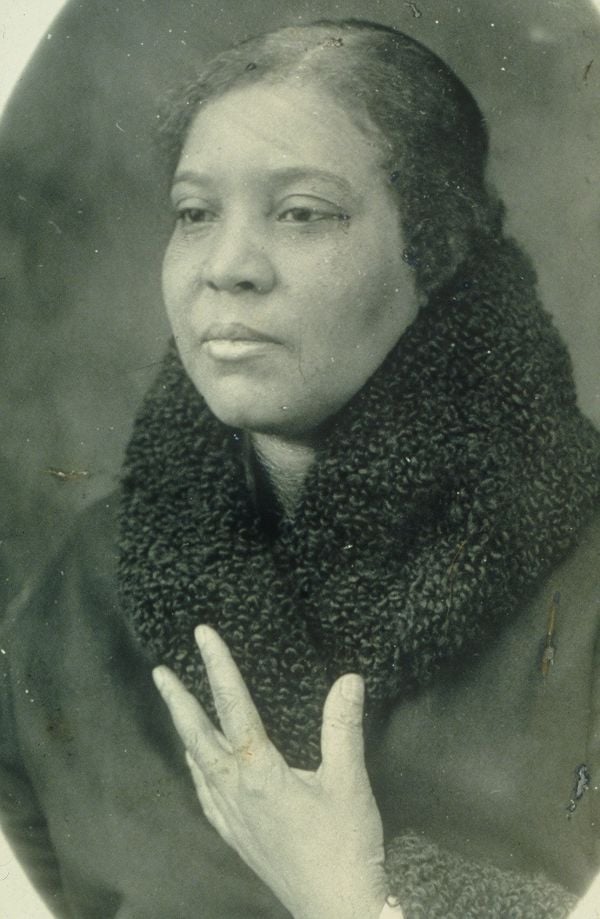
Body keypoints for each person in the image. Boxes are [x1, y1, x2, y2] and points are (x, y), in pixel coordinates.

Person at [1, 17, 600, 918]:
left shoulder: (584, 577)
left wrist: (352, 896)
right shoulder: (76, 597)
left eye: (302, 212)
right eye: (195, 213)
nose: (227, 267)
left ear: (433, 252)